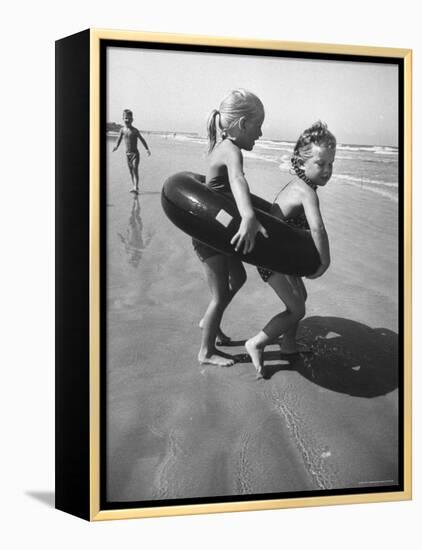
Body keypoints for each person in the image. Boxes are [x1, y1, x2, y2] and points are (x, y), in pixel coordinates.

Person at [245, 121, 336, 378]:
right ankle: (257, 342)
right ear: (301, 161)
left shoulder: (299, 185)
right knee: (297, 309)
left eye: (331, 163)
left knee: (300, 298)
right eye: (321, 164)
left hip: (282, 256)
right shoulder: (306, 192)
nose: (328, 170)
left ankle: (287, 344)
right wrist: (324, 262)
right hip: (271, 257)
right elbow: (318, 229)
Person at [194, 89, 268, 366]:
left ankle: (210, 324)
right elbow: (237, 179)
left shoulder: (222, 146)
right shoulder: (231, 150)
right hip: (208, 235)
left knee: (238, 279)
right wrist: (249, 216)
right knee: (221, 293)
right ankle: (206, 351)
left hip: (219, 232)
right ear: (242, 124)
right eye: (258, 127)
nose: (259, 134)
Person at [113, 109, 151, 193]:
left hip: (135, 154)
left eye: (129, 118)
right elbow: (118, 139)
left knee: (135, 168)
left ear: (132, 120)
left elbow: (142, 140)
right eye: (126, 118)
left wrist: (147, 149)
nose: (127, 120)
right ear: (123, 118)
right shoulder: (122, 130)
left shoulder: (135, 131)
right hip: (127, 154)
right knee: (130, 171)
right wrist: (116, 146)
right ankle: (133, 185)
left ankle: (136, 187)